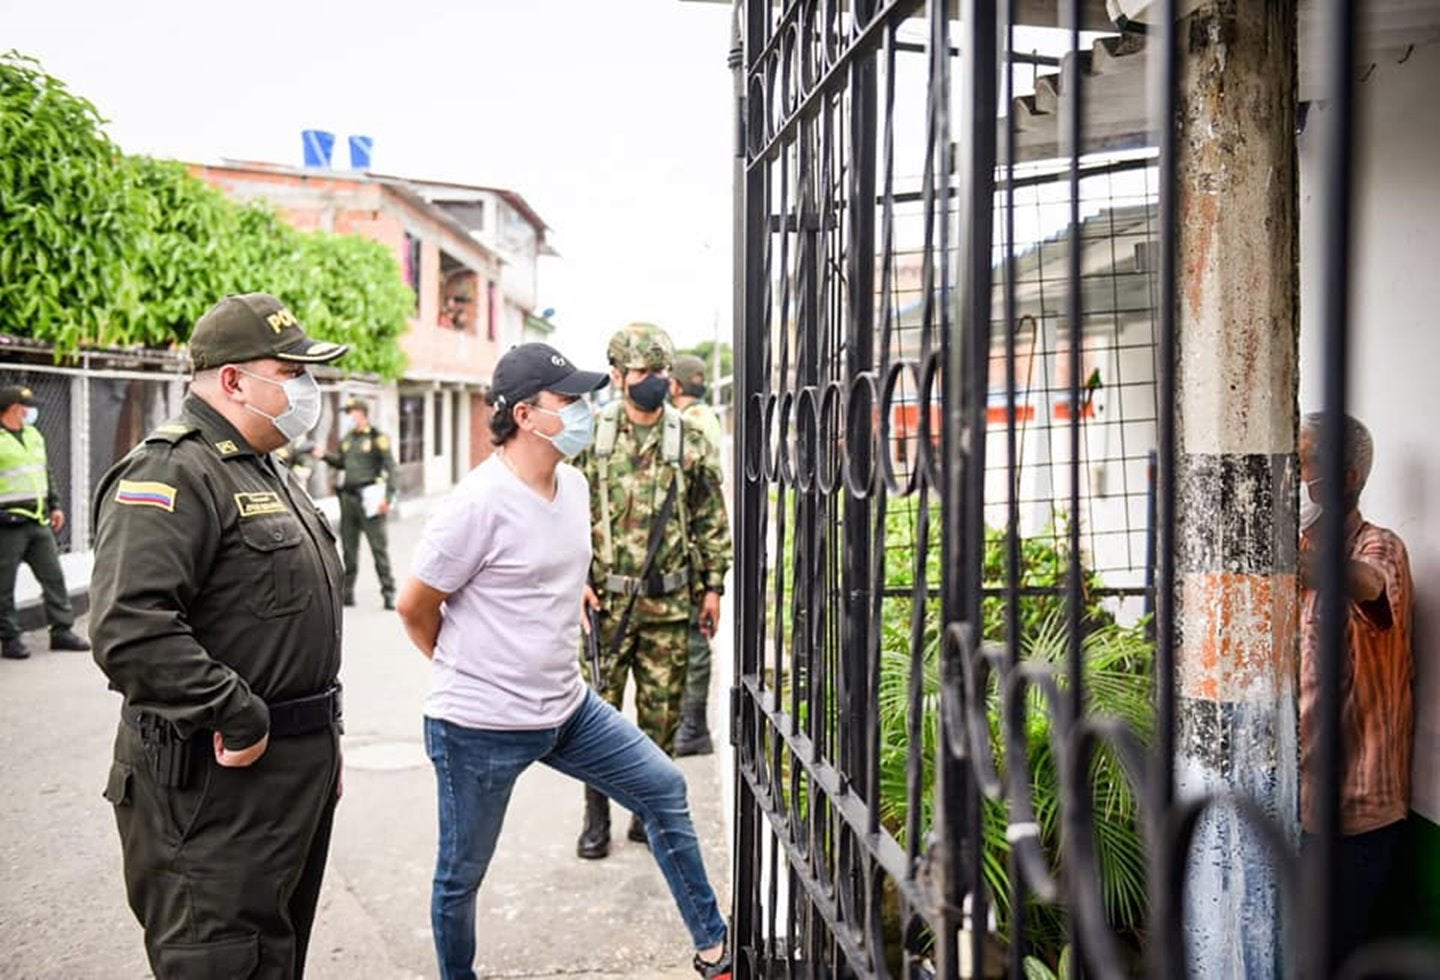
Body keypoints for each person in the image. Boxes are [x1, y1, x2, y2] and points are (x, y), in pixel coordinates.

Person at [395, 342, 732, 980]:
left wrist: (562, 586)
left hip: (567, 707)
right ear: (525, 414)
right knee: (460, 876)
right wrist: (464, 667)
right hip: (480, 726)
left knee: (664, 789)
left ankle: (717, 952)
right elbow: (415, 606)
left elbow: (548, 561)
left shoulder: (572, 485)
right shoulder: (476, 504)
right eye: (568, 400)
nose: (583, 410)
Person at [90, 293, 348, 978]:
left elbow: (289, 628)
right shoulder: (172, 470)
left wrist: (323, 738)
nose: (307, 389)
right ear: (233, 380)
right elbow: (130, 629)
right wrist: (240, 716)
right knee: (222, 959)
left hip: (289, 777)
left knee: (273, 956)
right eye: (290, 372)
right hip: (215, 785)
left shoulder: (266, 468)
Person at [571, 324, 732, 859]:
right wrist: (573, 585)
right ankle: (596, 814)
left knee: (660, 717)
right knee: (596, 715)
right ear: (618, 377)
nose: (655, 382)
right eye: (643, 373)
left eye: (661, 372)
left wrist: (713, 586)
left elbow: (711, 515)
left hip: (668, 604)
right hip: (606, 606)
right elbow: (559, 515)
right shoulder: (590, 438)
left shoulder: (689, 439)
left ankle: (645, 811)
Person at [1297, 411, 1414, 966]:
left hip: (1357, 820)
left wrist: (1277, 554)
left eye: (1300, 464)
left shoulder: (1380, 546)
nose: (1291, 479)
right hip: (1292, 808)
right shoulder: (1293, 558)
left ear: (1344, 477)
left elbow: (1368, 584)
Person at [0, 385, 90, 659]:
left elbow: (45, 472)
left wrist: (55, 505)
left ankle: (61, 630)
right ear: (14, 408)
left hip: (38, 519)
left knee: (53, 576)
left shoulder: (33, 435)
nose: (30, 411)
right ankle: (10, 637)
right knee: (4, 584)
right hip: (7, 523)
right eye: (25, 407)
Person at [667, 353, 725, 756]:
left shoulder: (691, 425)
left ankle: (694, 726)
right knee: (693, 637)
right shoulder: (709, 416)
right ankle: (690, 724)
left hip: (692, 546)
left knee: (693, 638)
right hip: (698, 544)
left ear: (675, 385)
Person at [311, 397, 398, 609]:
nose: (349, 416)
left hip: (370, 500)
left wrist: (388, 498)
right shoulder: (348, 439)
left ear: (361, 412)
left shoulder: (378, 438)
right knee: (349, 551)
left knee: (379, 549)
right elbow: (342, 463)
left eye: (352, 412)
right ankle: (347, 593)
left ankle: (388, 593)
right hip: (348, 500)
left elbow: (392, 469)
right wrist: (324, 456)